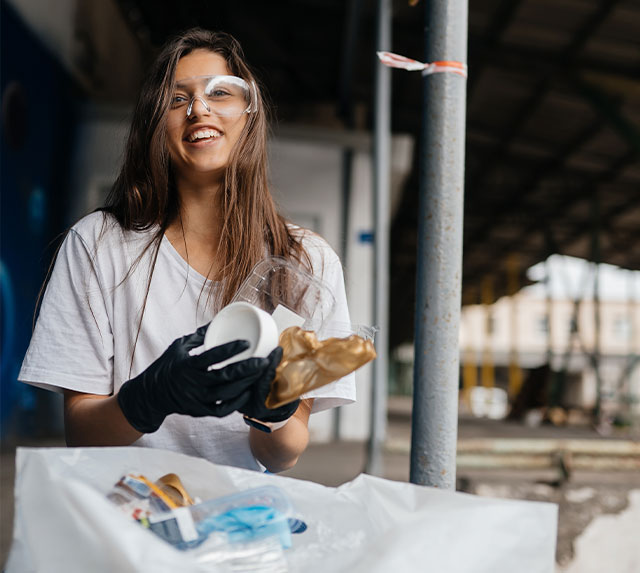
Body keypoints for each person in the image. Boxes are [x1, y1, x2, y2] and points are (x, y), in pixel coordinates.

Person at [18, 28, 355, 473]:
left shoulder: (304, 261)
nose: (199, 109)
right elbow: (83, 436)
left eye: (221, 92)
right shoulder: (97, 244)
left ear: (250, 114)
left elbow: (282, 454)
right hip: (127, 515)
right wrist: (149, 397)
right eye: (177, 100)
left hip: (240, 520)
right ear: (154, 125)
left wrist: (273, 411)